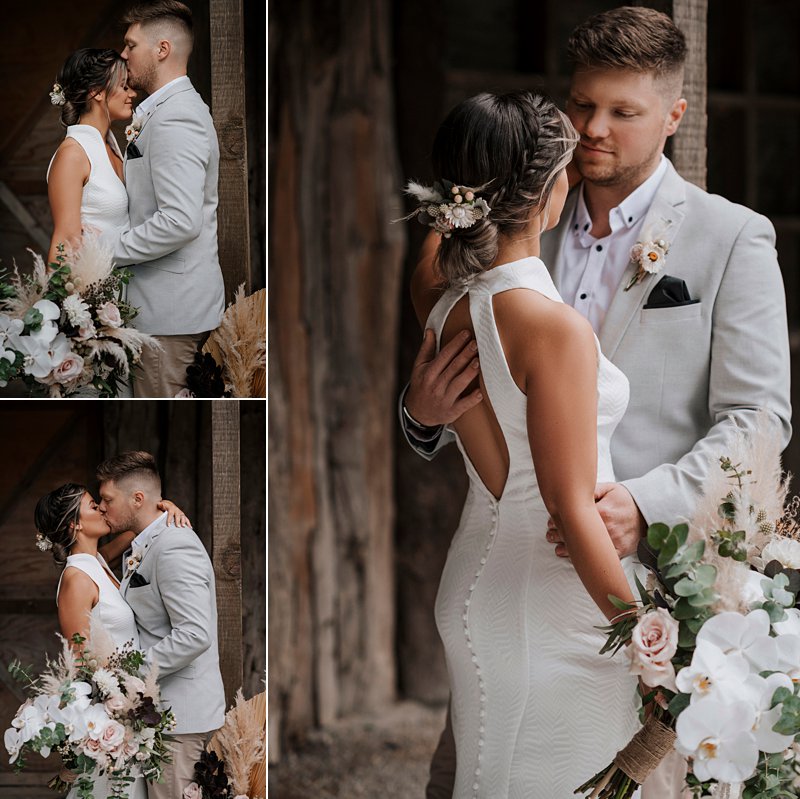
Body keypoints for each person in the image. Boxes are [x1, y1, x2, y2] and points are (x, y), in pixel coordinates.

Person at [401, 8, 792, 799]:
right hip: (551, 584)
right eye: (581, 105)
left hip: (641, 572)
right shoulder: (508, 226)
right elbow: (485, 399)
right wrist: (419, 416)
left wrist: (643, 505)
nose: (592, 129)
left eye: (622, 112)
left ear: (673, 117)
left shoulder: (731, 237)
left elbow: (760, 420)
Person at [403, 89, 646, 799]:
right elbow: (569, 507)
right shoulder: (553, 329)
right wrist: (647, 639)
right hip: (554, 598)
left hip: (476, 584)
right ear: (548, 188)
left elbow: (435, 250)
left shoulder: (440, 303)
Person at [33, 483, 190, 799]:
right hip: (112, 716)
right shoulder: (76, 579)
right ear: (74, 524)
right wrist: (122, 705)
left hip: (132, 709)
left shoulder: (97, 561)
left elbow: (135, 531)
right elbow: (80, 660)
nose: (102, 508)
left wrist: (165, 508)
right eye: (93, 505)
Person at [96, 451, 225, 799]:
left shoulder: (174, 545)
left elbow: (194, 634)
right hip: (162, 714)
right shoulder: (150, 540)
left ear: (137, 499)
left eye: (107, 499)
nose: (102, 507)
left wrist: (131, 676)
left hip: (182, 718)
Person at [112, 0, 225, 398]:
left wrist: (104, 251)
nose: (123, 55)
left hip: (170, 319)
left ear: (162, 49)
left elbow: (179, 220)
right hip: (159, 313)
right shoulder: (162, 111)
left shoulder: (177, 116)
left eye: (130, 45)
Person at [47, 49, 136, 265]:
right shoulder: (73, 154)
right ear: (97, 92)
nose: (132, 93)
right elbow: (65, 242)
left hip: (128, 288)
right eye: (124, 86)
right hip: (93, 289)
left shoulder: (112, 147)